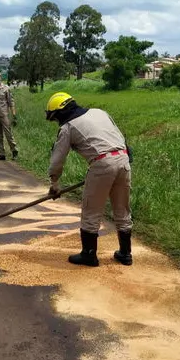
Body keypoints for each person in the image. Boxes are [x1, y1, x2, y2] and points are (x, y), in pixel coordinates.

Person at [45, 91, 133, 267]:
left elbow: (57, 159)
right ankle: (125, 254)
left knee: (91, 210)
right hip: (123, 159)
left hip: (101, 164)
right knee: (122, 208)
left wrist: (54, 183)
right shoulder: (99, 112)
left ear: (61, 112)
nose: (56, 122)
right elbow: (119, 136)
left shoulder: (68, 127)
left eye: (55, 118)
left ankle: (89, 255)